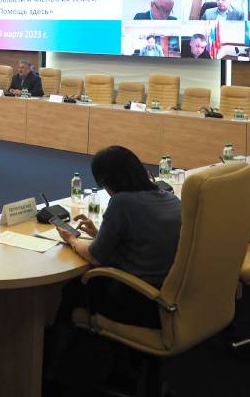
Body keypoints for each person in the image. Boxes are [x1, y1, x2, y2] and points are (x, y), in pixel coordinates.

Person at [47, 146, 181, 380]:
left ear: (108, 181)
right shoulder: (168, 197)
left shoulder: (122, 202)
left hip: (139, 300)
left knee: (72, 291)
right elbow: (142, 237)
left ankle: (55, 369)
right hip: (170, 296)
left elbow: (96, 257)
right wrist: (99, 232)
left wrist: (72, 239)